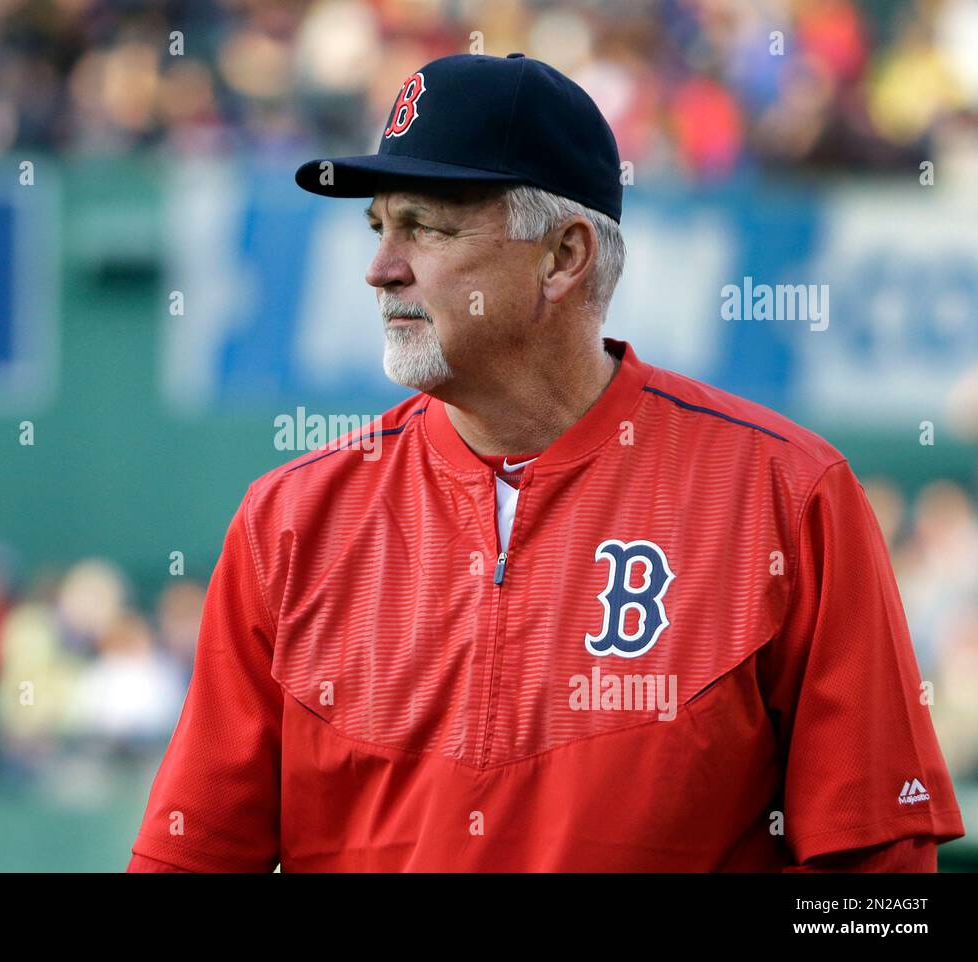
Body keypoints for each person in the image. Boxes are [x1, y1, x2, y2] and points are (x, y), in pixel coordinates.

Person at [127, 53, 965, 872]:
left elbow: (878, 885)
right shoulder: (289, 520)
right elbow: (190, 856)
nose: (381, 268)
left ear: (564, 257)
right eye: (380, 225)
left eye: (425, 225)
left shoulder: (788, 495)